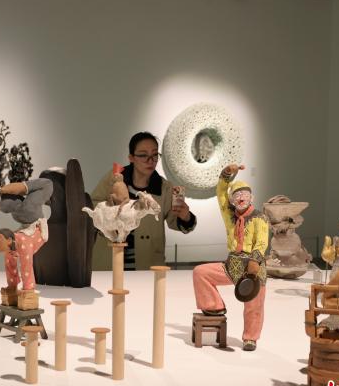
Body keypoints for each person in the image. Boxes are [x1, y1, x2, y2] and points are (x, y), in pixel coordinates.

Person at [90, 132, 197, 270]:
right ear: (131, 158)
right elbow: (93, 205)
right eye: (143, 155)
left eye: (154, 155)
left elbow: (175, 221)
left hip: (147, 263)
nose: (150, 161)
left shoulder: (164, 187)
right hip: (109, 260)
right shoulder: (114, 178)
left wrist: (185, 216)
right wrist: (110, 213)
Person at [192, 164, 269, 351]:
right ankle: (214, 306)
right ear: (232, 200)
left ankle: (250, 338)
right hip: (232, 265)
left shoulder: (260, 218)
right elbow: (220, 192)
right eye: (237, 195)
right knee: (201, 272)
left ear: (252, 198)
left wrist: (255, 260)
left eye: (245, 194)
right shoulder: (229, 215)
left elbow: (262, 242)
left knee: (254, 305)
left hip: (254, 267)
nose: (241, 198)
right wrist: (227, 174)